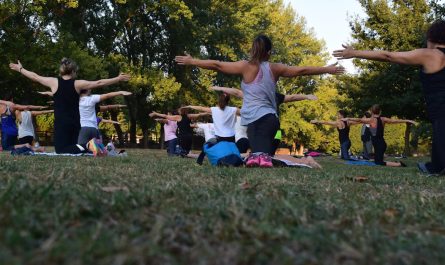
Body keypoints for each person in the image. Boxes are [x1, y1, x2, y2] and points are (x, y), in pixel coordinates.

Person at [176, 36, 339, 168]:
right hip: (269, 121)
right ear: (269, 52)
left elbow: (217, 65)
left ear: (252, 50)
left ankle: (305, 162)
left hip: (259, 122)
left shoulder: (244, 66)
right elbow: (301, 71)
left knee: (262, 159)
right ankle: (302, 161)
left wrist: (193, 61)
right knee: (260, 158)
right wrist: (326, 69)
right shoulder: (275, 68)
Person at [333, 20, 445, 174]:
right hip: (439, 115)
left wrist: (354, 53)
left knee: (439, 161)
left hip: (440, 111)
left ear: (431, 39)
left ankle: (436, 167)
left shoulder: (432, 55)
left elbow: (388, 56)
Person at [9, 58, 130, 155]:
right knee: (72, 149)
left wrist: (21, 69)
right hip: (75, 123)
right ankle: (96, 147)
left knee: (61, 150)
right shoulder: (78, 84)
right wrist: (117, 79)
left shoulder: (53, 82)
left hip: (62, 123)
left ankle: (90, 145)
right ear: (72, 71)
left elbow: (35, 77)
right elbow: (99, 82)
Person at [210, 86, 318, 157]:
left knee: (274, 142)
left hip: (270, 127)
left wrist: (306, 96)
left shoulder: (271, 95)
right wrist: (220, 88)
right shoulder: (263, 95)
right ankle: (261, 155)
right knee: (266, 148)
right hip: (267, 127)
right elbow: (237, 92)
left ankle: (265, 155)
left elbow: (292, 97)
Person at [343, 104, 416, 167]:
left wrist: (348, 118)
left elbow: (359, 119)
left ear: (371, 111)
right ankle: (396, 163)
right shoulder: (383, 119)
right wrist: (408, 120)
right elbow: (395, 121)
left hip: (379, 145)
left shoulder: (370, 120)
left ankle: (399, 164)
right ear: (380, 111)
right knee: (377, 161)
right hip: (381, 144)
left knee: (378, 162)